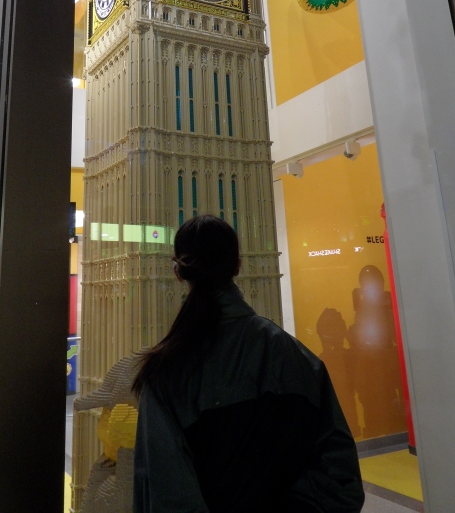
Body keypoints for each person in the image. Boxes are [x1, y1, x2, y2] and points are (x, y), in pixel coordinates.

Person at [132, 215, 365, 513]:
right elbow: (341, 478)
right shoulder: (292, 355)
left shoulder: (165, 372)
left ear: (178, 272)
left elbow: (167, 494)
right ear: (238, 266)